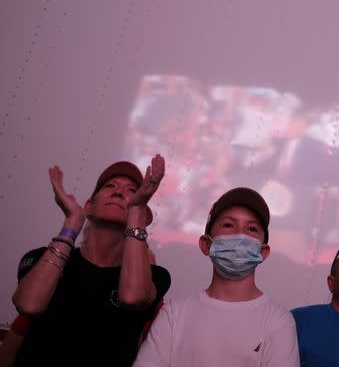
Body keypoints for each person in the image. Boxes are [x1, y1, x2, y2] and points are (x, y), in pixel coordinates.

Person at [11, 156, 171, 366]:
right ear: (89, 206)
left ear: (142, 215)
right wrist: (73, 221)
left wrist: (138, 209)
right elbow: (29, 304)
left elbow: (132, 298)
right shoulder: (44, 259)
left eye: (132, 190)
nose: (118, 191)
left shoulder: (155, 277)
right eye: (109, 186)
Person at [134, 187, 300, 366]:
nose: (240, 234)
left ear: (263, 252)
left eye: (251, 228)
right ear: (206, 244)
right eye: (228, 225)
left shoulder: (278, 321)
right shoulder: (174, 315)